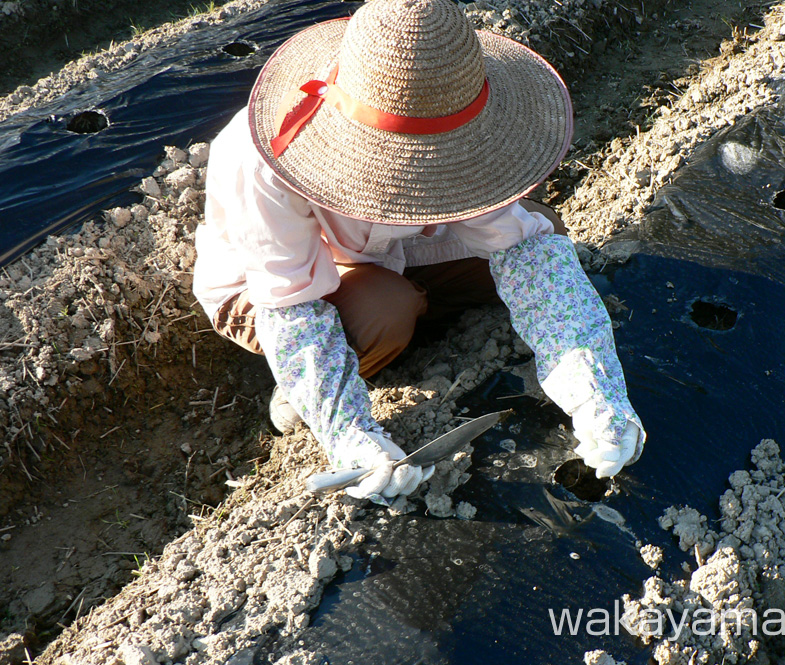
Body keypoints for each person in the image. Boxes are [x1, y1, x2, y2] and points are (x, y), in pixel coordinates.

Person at [192, 0, 645, 504]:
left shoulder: (450, 108)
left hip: (401, 252)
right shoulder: (263, 161)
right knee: (384, 309)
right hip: (279, 289)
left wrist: (597, 397)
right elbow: (293, 306)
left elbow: (527, 255)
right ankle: (303, 390)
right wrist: (350, 438)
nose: (431, 173)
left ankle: (412, 313)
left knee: (545, 231)